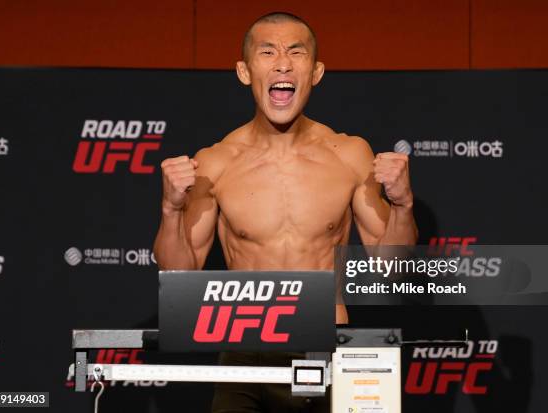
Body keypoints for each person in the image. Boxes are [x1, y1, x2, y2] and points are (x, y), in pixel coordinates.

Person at [153, 11, 418, 413]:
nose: (282, 63)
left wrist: (403, 204)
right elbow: (178, 275)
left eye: (296, 52)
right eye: (268, 52)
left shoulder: (348, 155)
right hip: (244, 351)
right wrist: (171, 209)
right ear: (244, 71)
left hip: (329, 344)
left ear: (315, 71)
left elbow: (391, 270)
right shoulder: (215, 162)